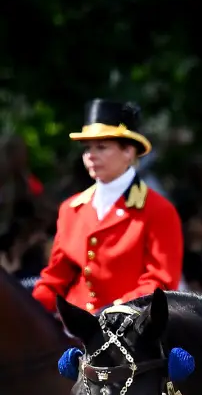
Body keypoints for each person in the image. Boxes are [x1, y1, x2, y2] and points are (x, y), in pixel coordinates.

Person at [32, 99, 183, 314]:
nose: (91, 155)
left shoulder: (159, 210)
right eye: (87, 149)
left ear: (129, 152)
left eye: (101, 147)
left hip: (128, 334)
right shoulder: (70, 209)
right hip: (74, 331)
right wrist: (29, 308)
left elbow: (161, 283)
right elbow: (55, 278)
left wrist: (112, 312)